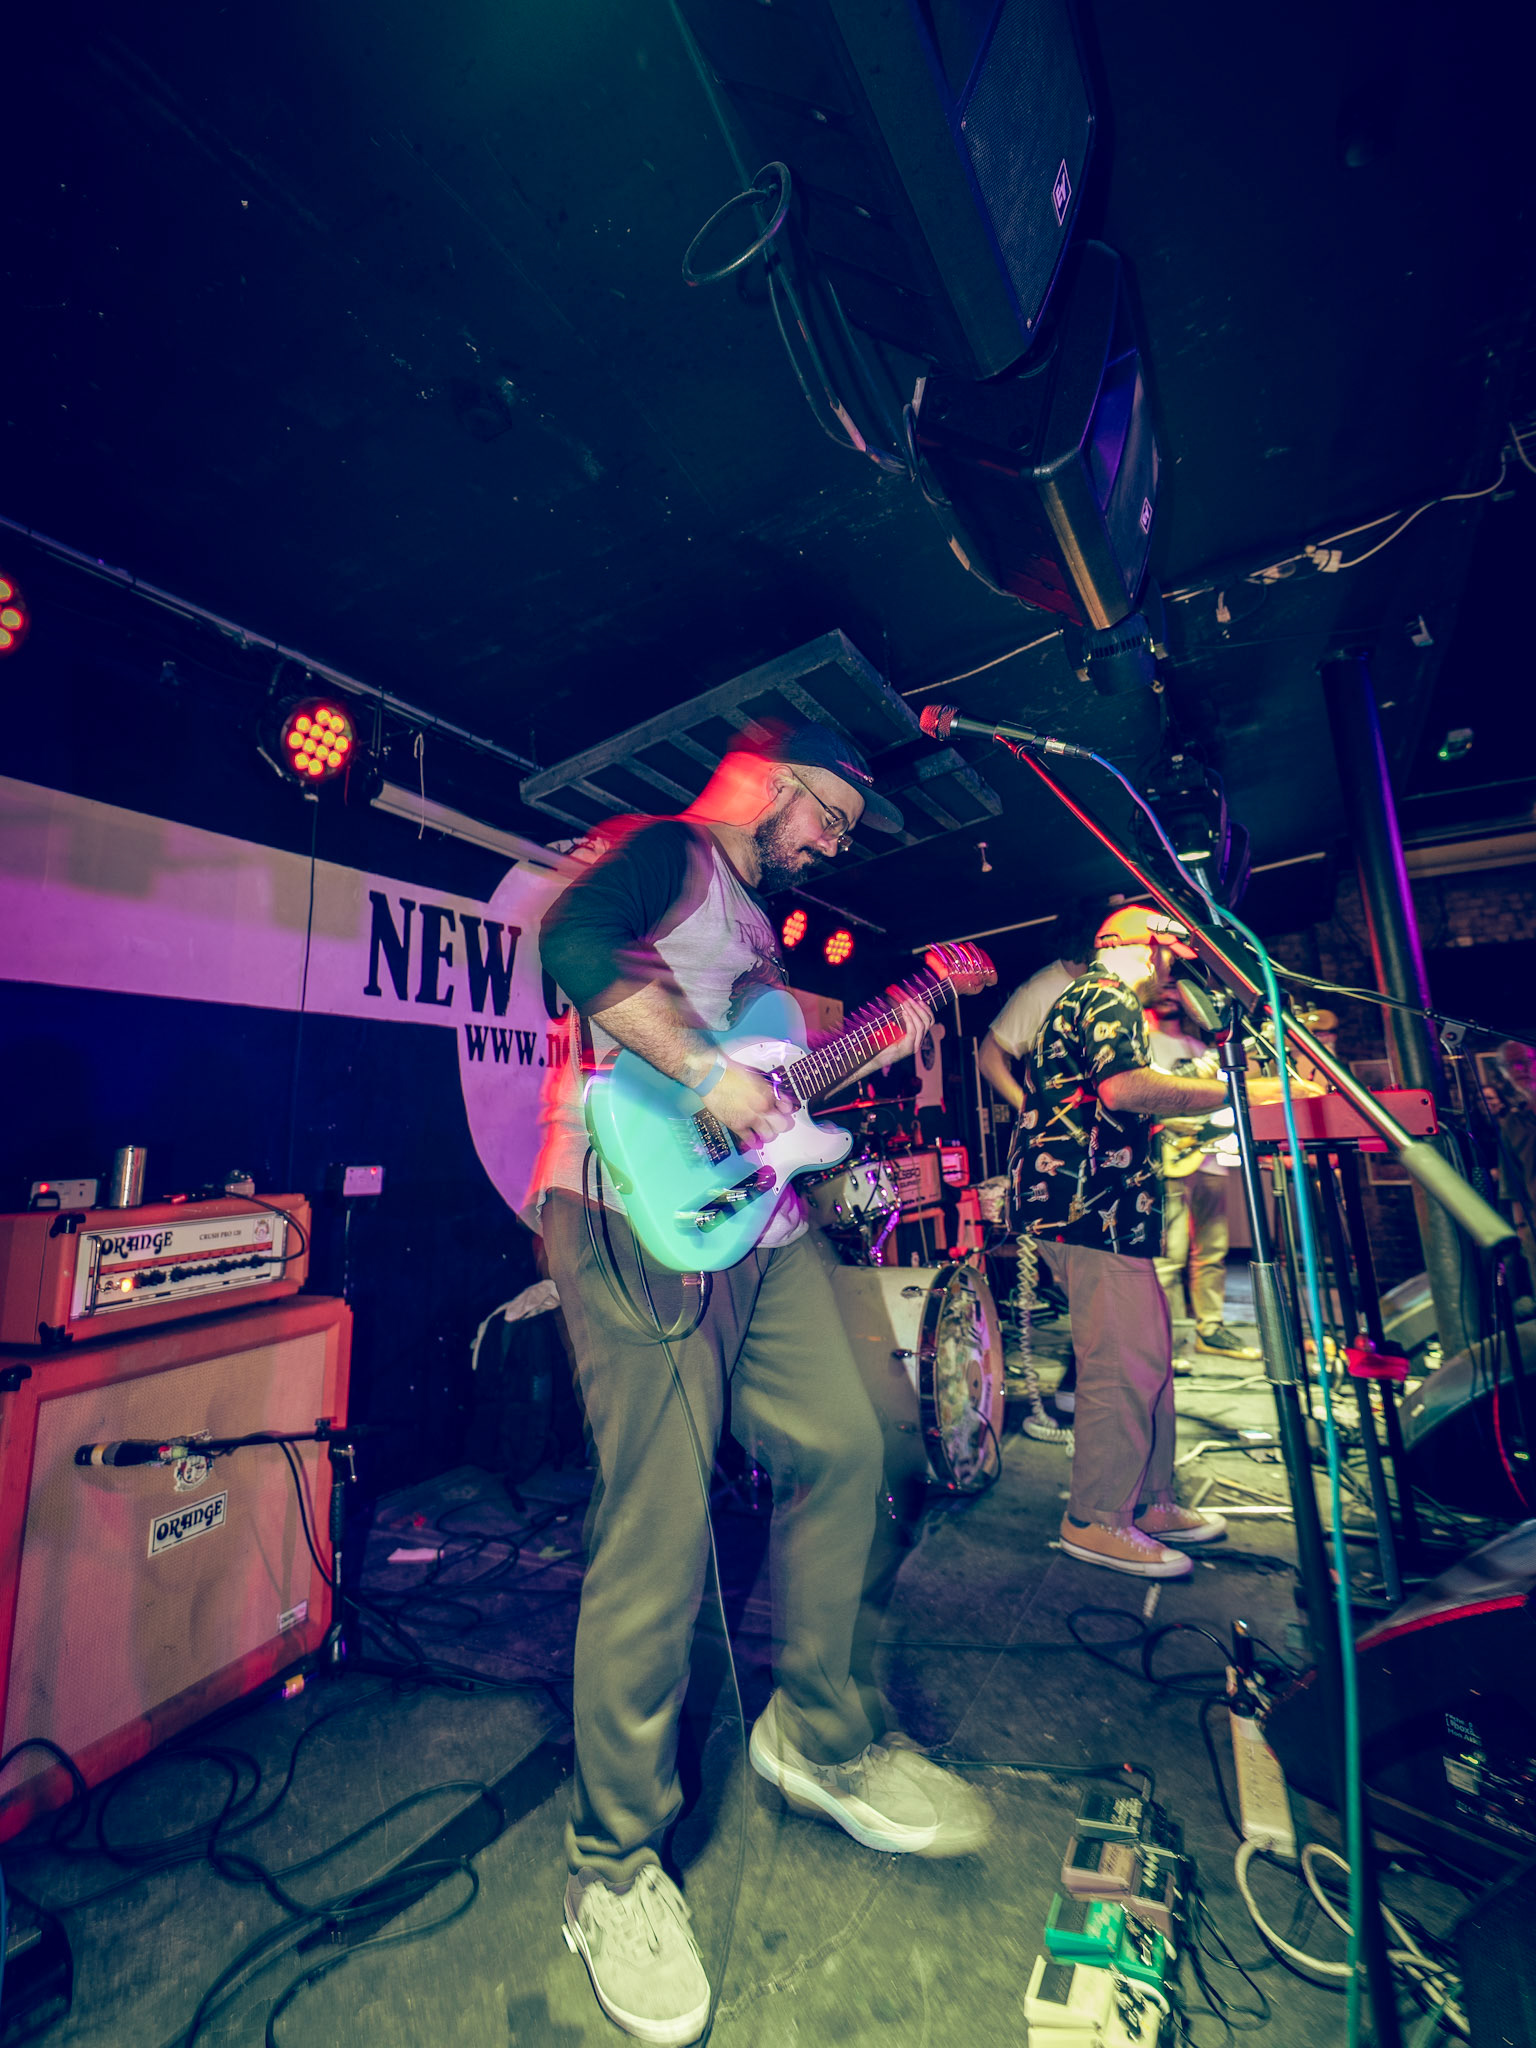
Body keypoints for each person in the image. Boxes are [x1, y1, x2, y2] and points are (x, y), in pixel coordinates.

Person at [531, 723, 991, 2048]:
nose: (831, 845)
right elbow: (573, 946)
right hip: (631, 1206)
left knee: (861, 1445)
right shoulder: (667, 852)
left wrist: (892, 1030)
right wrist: (709, 1073)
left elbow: (780, 1084)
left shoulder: (756, 931)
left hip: (760, 1226)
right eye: (828, 816)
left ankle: (819, 1736)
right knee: (660, 1524)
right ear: (771, 779)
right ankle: (614, 1865)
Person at [1010, 905, 1304, 1578]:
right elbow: (1124, 1089)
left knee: (1148, 1360)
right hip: (1089, 1209)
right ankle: (1095, 1519)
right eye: (1172, 958)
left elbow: (1106, 1100)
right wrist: (1234, 1091)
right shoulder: (1104, 993)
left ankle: (1147, 1501)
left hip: (1104, 1209)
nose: (1174, 976)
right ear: (1145, 948)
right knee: (1122, 1366)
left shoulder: (1101, 1000)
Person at [980, 900, 1106, 1421]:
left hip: (1108, 1151)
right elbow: (990, 1056)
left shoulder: (1110, 988)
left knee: (1112, 1271)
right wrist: (1033, 1111)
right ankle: (1086, 1379)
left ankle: (1105, 1374)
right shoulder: (1042, 990)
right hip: (1063, 1156)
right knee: (1085, 1272)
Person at [1144, 987, 1253, 1359]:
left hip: (1210, 1158)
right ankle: (1169, 1343)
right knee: (1168, 1257)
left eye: (1175, 989)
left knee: (1213, 1251)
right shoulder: (1139, 1043)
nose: (1168, 994)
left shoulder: (1201, 1048)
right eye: (1162, 986)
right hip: (1166, 1160)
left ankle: (1211, 1329)